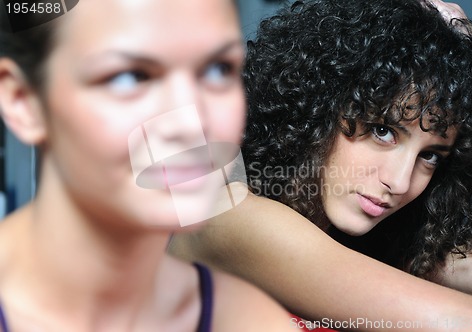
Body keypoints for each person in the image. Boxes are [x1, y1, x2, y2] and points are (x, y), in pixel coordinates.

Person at [170, 0, 472, 330]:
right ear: (320, 105)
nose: (399, 183)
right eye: (383, 131)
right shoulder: (230, 214)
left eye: (429, 156)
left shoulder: (387, 241)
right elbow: (459, 324)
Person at [0, 0, 297, 330]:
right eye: (130, 77)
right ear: (23, 102)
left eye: (218, 69)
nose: (192, 122)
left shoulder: (253, 322)